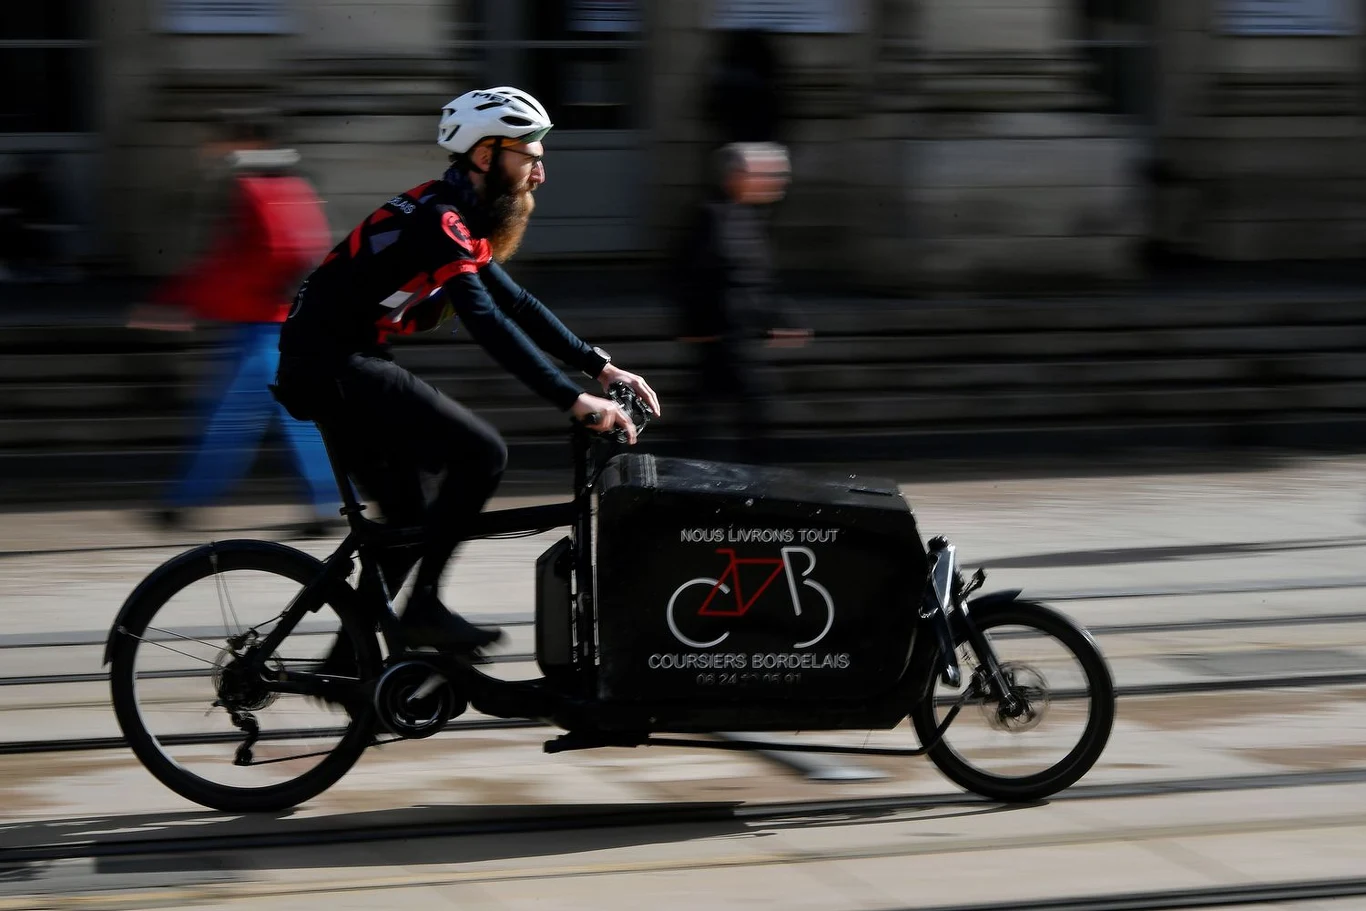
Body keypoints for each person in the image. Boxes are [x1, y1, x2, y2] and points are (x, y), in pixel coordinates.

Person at [273, 86, 660, 655]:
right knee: (483, 454)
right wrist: (571, 400)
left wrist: (602, 369)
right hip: (332, 364)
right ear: (485, 156)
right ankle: (423, 610)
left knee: (409, 516)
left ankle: (349, 663)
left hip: (340, 360)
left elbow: (517, 304)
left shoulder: (455, 215)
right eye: (530, 157)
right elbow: (483, 319)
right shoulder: (439, 217)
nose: (540, 174)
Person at [150, 112, 339, 534]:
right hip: (267, 323)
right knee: (288, 420)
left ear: (248, 142)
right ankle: (327, 504)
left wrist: (183, 299)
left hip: (260, 325)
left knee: (230, 418)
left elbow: (271, 254)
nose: (209, 149)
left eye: (219, 140)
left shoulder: (255, 187)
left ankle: (184, 503)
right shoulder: (286, 185)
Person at [674, 141, 806, 464]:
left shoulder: (746, 217)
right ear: (738, 176)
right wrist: (698, 325)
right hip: (725, 335)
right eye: (769, 174)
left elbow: (756, 279)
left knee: (710, 412)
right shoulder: (712, 217)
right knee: (753, 410)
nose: (778, 181)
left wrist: (779, 320)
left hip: (737, 335)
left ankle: (686, 469)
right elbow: (690, 274)